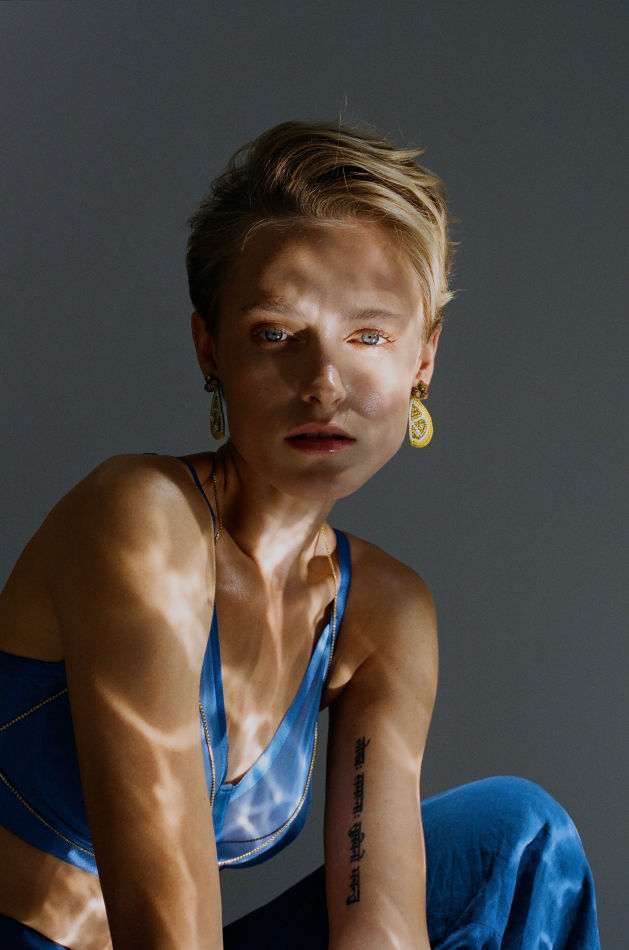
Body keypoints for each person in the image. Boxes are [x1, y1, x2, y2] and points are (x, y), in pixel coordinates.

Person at [0, 121, 600, 950]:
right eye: (276, 334)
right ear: (209, 350)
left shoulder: (383, 613)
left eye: (368, 336)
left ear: (422, 360)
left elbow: (380, 926)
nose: (323, 385)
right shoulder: (140, 517)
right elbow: (169, 936)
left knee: (516, 838)